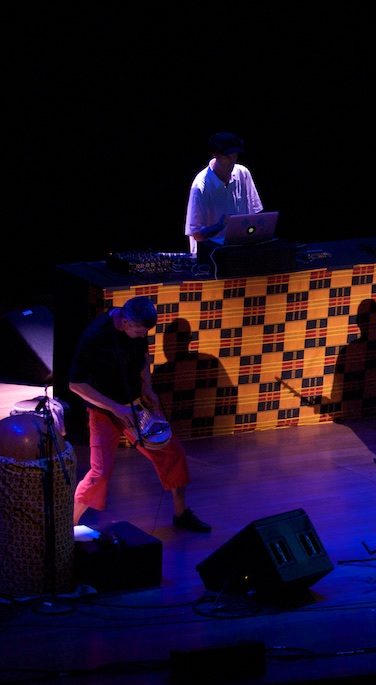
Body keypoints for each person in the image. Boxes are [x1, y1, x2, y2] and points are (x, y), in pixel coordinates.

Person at [69, 296, 211, 532]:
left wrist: (147, 387)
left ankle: (181, 513)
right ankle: (68, 526)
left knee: (173, 453)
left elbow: (142, 359)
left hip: (135, 405)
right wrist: (115, 408)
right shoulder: (94, 338)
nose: (142, 336)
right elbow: (76, 385)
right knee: (100, 471)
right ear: (124, 322)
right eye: (138, 331)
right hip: (105, 409)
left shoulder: (137, 330)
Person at [184, 131, 263, 263]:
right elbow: (197, 234)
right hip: (211, 258)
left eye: (235, 156)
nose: (232, 161)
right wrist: (219, 226)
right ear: (215, 155)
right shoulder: (200, 186)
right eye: (228, 157)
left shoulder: (243, 173)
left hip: (239, 251)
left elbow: (255, 214)